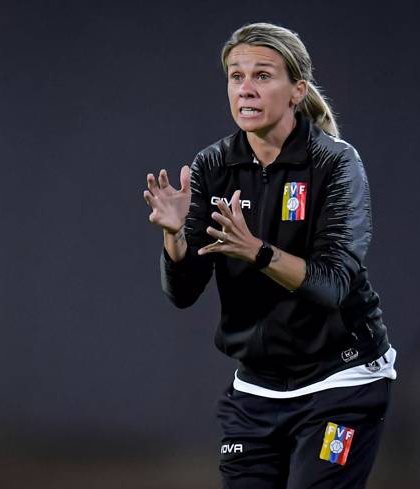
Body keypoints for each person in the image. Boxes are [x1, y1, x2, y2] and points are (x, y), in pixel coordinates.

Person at [143, 22, 396, 489]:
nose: (246, 89)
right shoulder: (213, 166)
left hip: (341, 383)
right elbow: (183, 293)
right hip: (257, 391)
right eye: (236, 76)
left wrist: (256, 251)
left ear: (297, 89)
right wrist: (175, 238)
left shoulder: (335, 162)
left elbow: (333, 284)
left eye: (263, 75)